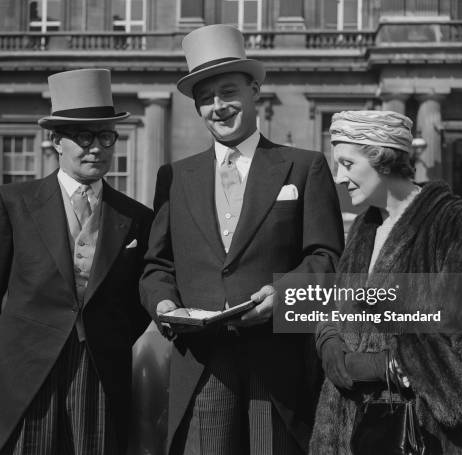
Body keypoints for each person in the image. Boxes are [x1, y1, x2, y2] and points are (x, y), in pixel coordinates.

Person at [140, 24, 344, 455]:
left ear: (254, 90)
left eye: (228, 92)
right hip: (200, 361)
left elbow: (326, 257)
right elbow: (158, 265)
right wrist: (163, 304)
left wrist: (284, 294)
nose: (218, 107)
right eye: (206, 99)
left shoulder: (304, 167)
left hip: (277, 362)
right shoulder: (174, 177)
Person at [0, 68, 153, 455]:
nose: (95, 147)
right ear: (55, 141)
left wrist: (106, 336)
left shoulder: (136, 217)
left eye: (105, 136)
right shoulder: (11, 203)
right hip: (25, 373)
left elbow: (139, 301)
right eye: (82, 136)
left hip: (99, 372)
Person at [310, 110, 462, 454]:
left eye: (347, 163)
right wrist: (329, 341)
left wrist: (387, 365)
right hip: (347, 430)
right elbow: (338, 308)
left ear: (383, 158)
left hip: (422, 435)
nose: (339, 177)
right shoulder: (364, 227)